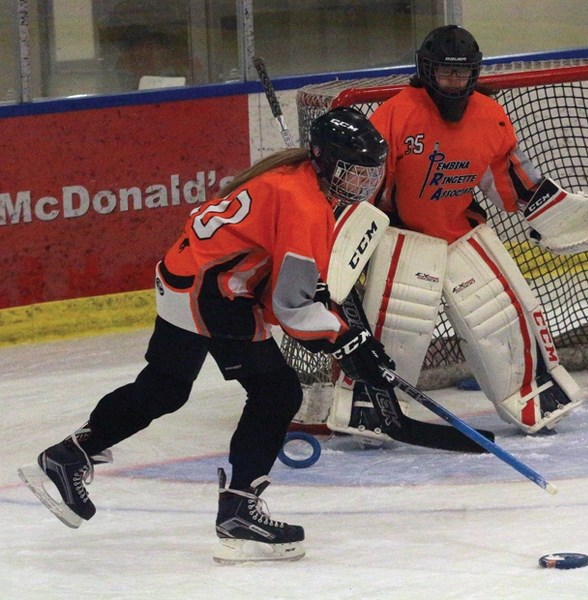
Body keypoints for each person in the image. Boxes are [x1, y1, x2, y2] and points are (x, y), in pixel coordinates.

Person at [18, 107, 393, 563]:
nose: (362, 184)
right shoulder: (305, 203)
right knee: (276, 393)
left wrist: (331, 324)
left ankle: (70, 454)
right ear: (325, 159)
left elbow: (280, 285)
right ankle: (239, 510)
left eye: (369, 174)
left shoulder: (291, 175)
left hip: (182, 277)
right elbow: (289, 309)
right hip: (213, 294)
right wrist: (347, 339)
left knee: (164, 387)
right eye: (353, 173)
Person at [327, 26, 588, 443]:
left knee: (507, 315)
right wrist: (342, 237)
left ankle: (533, 397)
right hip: (402, 238)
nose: (453, 82)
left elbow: (509, 177)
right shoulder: (396, 113)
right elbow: (367, 187)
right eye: (445, 74)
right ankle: (368, 407)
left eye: (462, 74)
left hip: (461, 231)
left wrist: (558, 216)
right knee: (394, 328)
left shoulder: (489, 115)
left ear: (475, 73)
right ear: (426, 71)